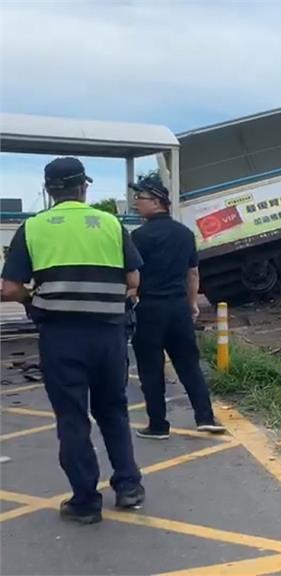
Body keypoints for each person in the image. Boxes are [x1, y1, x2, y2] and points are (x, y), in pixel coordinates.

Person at [0, 157, 145, 524]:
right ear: (84, 188)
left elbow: (10, 288)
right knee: (113, 410)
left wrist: (34, 300)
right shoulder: (111, 224)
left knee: (72, 417)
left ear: (49, 192)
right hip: (109, 335)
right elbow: (133, 282)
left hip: (61, 337)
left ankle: (85, 502)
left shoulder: (32, 228)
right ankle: (128, 487)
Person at [128, 175, 225, 439]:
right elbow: (192, 274)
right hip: (178, 309)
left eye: (140, 199)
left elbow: (132, 275)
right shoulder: (185, 234)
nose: (136, 203)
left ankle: (158, 425)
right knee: (189, 364)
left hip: (149, 309)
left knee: (150, 367)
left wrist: (132, 296)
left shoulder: (138, 236)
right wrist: (192, 304)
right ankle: (205, 417)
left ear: (158, 202)